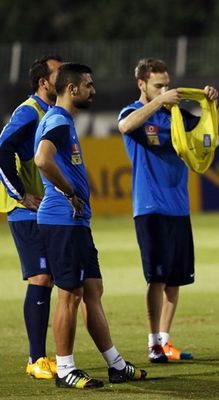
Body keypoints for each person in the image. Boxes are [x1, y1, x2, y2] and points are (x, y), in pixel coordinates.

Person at [34, 62, 146, 388]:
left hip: (76, 223)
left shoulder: (63, 121)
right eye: (88, 85)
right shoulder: (56, 120)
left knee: (93, 290)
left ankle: (116, 365)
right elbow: (43, 159)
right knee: (69, 294)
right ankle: (65, 369)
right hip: (61, 220)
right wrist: (68, 192)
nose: (92, 90)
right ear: (72, 89)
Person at [117, 58, 219, 363]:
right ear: (142, 85)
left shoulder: (176, 116)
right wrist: (160, 101)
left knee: (176, 278)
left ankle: (165, 340)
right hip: (150, 207)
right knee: (157, 278)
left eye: (166, 83)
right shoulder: (133, 113)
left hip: (179, 206)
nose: (165, 89)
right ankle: (152, 343)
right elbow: (125, 126)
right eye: (158, 85)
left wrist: (212, 104)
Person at [0, 56, 63, 380]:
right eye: (58, 72)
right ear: (43, 82)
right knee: (40, 277)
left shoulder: (51, 112)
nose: (64, 76)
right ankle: (35, 359)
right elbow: (1, 149)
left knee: (48, 278)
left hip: (44, 208)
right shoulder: (29, 111)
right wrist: (19, 194)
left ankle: (41, 356)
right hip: (25, 209)